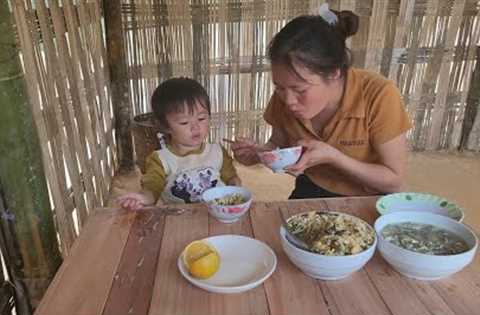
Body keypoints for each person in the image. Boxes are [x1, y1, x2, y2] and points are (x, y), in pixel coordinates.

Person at [231, 5, 411, 199]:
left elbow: (394, 181)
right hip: (311, 187)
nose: (288, 100)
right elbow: (278, 144)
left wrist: (334, 157)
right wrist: (257, 154)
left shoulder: (379, 95)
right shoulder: (285, 94)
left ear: (334, 73)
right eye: (279, 88)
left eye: (300, 90)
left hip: (369, 196)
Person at [118, 77, 241, 210]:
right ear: (165, 127)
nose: (195, 127)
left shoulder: (217, 152)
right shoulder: (161, 160)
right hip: (180, 219)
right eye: (184, 122)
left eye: (201, 118)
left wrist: (236, 186)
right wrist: (144, 198)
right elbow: (152, 186)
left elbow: (231, 178)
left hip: (216, 214)